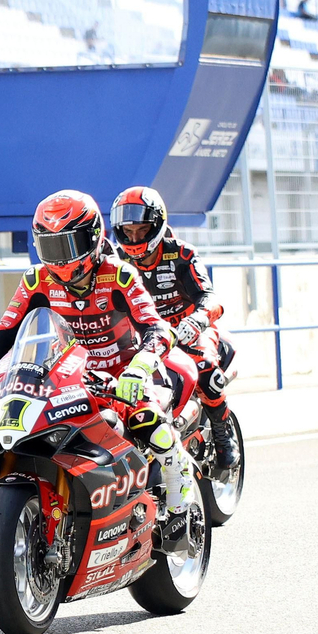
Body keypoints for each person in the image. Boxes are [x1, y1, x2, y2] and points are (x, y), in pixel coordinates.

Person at [0, 191, 194, 550]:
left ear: (94, 237)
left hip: (126, 374)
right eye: (52, 247)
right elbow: (4, 330)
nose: (63, 258)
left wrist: (140, 368)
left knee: (148, 422)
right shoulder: (37, 280)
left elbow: (156, 327)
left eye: (71, 243)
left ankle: (181, 495)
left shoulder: (120, 275)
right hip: (69, 374)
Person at [109, 186, 241, 469]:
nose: (134, 238)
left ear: (157, 225)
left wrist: (196, 320)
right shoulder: (114, 263)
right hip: (145, 335)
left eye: (142, 230)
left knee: (206, 369)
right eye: (128, 232)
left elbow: (210, 297)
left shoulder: (182, 254)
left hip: (188, 329)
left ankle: (222, 434)